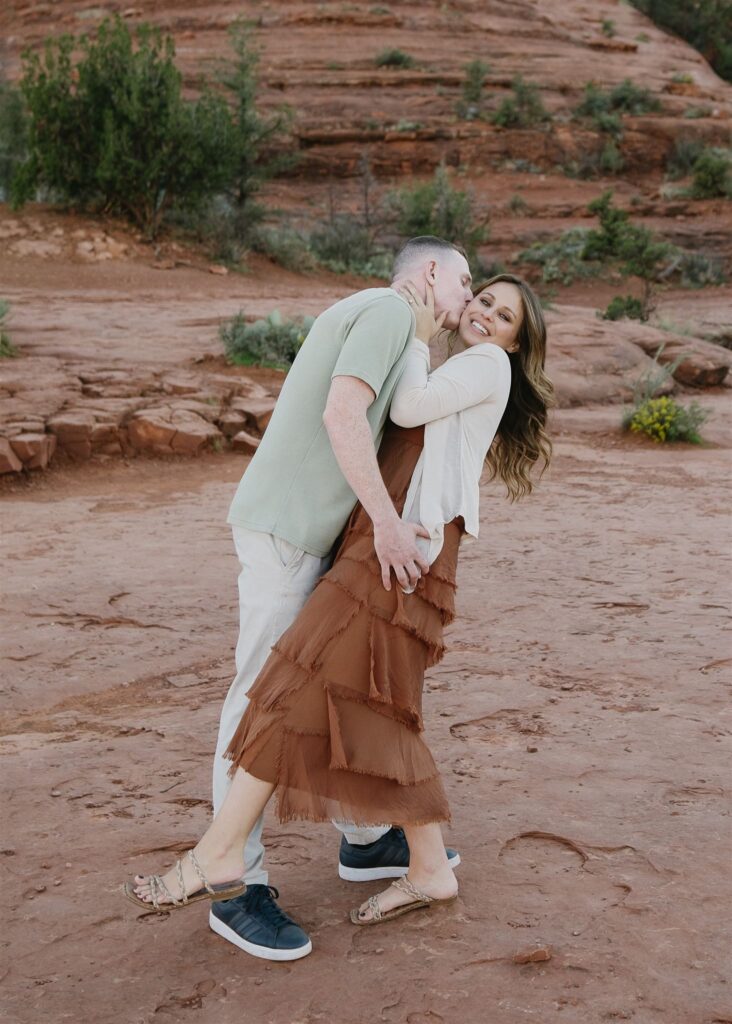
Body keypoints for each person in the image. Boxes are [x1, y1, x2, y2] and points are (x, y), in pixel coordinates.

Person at [124, 273, 554, 934]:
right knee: (373, 703)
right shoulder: (463, 364)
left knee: (302, 686)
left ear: (516, 342)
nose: (485, 313)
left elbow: (406, 409)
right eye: (484, 300)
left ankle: (219, 854)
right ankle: (419, 864)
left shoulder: (485, 364)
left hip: (399, 550)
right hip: (387, 544)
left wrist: (416, 335)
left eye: (504, 316)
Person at [211, 237, 473, 959]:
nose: (467, 299)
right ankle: (233, 885)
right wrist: (386, 525)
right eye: (464, 281)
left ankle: (364, 838)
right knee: (261, 695)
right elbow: (341, 414)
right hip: (287, 530)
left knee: (333, 682)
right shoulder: (389, 310)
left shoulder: (398, 329)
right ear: (429, 273)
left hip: (310, 532)